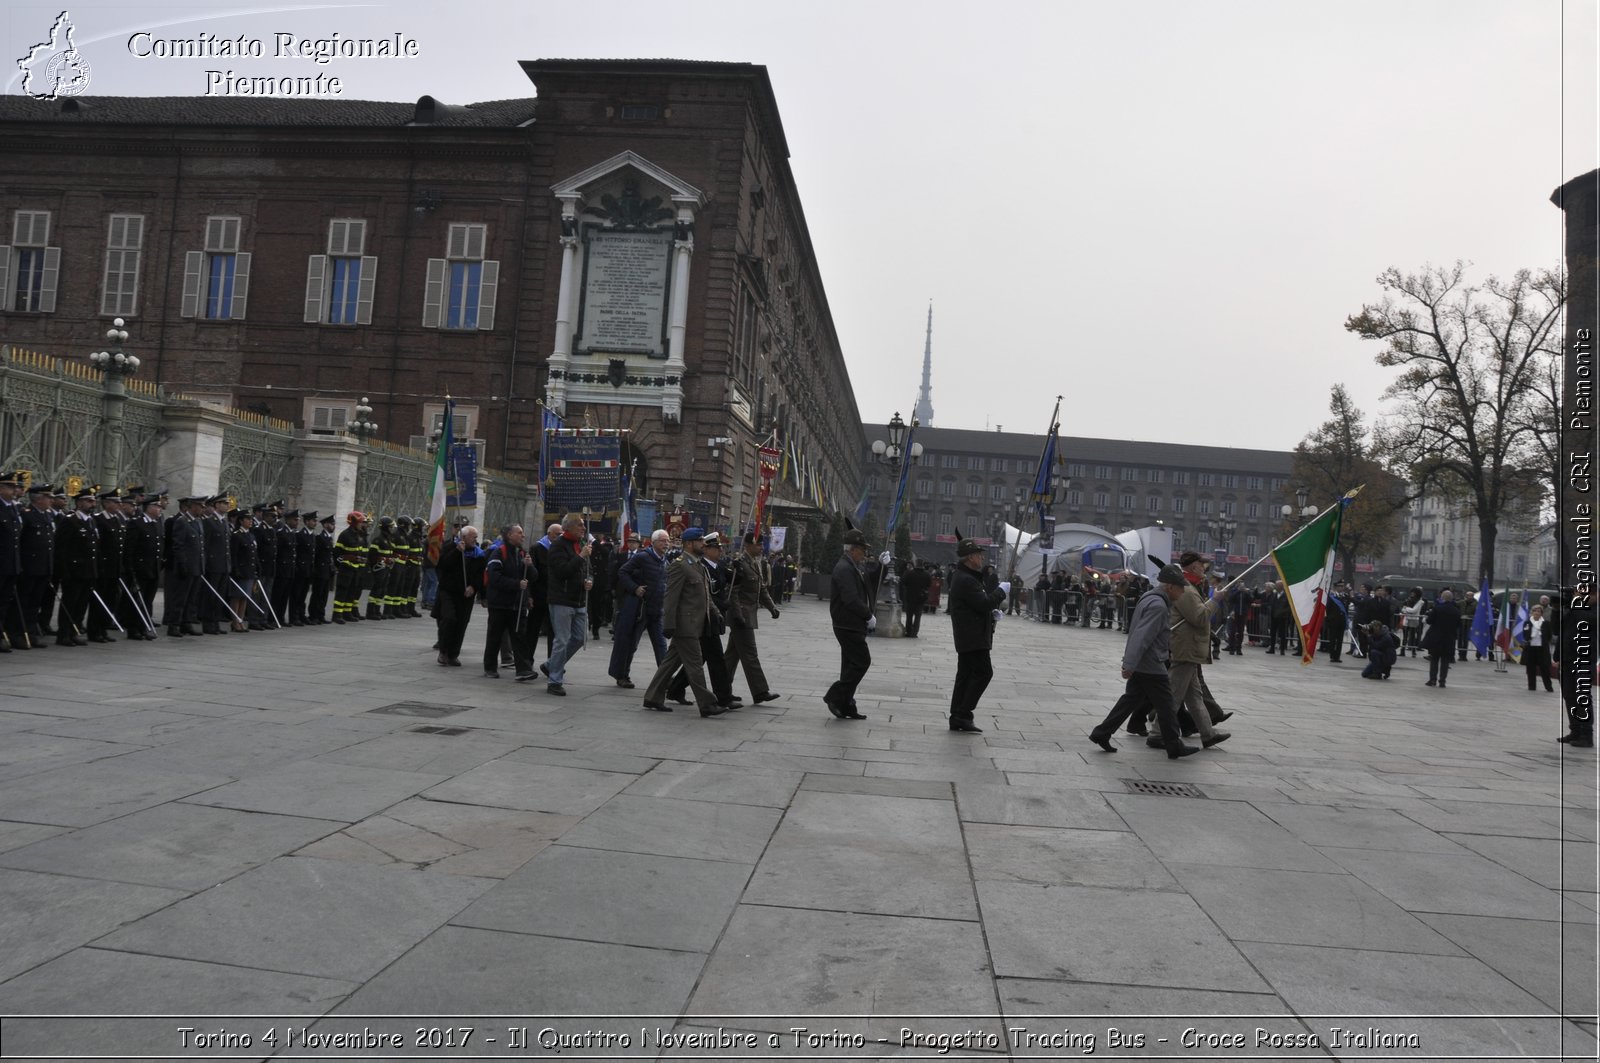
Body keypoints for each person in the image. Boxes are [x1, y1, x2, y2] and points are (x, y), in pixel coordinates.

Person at [1088, 564, 1199, 759]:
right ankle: (1174, 745)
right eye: (1181, 587)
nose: (1183, 592)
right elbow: (1142, 636)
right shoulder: (1157, 605)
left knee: (1130, 700)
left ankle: (1102, 733)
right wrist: (1129, 663)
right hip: (1151, 665)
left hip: (1145, 662)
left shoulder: (1150, 598)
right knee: (1166, 705)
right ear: (1170, 587)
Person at [642, 527, 725, 717]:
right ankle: (707, 704)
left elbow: (705, 595)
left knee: (669, 664)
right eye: (700, 541)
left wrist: (716, 613)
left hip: (696, 624)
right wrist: (669, 624)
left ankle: (653, 697)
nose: (703, 544)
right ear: (689, 544)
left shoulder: (698, 565)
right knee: (695, 665)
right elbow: (671, 598)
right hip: (685, 625)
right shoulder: (679, 565)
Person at [668, 531, 739, 708]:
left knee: (695, 660)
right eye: (715, 548)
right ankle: (721, 697)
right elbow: (675, 596)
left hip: (709, 617)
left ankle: (673, 689)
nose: (719, 552)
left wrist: (740, 567)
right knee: (713, 659)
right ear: (705, 549)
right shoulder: (694, 566)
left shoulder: (716, 566)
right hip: (699, 619)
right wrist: (669, 622)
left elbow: (734, 580)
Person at [1167, 551, 1227, 747]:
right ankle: (1159, 732)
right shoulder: (1186, 588)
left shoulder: (1192, 586)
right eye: (1202, 566)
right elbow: (1199, 617)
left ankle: (1208, 734)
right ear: (1194, 567)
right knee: (1175, 694)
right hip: (1186, 647)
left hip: (1190, 647)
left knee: (1194, 696)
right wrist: (1215, 600)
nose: (1205, 569)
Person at [946, 538, 1007, 733]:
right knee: (983, 673)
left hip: (969, 634)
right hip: (973, 637)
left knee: (965, 675)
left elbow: (978, 604)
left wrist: (991, 614)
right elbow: (983, 603)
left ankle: (957, 715)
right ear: (970, 557)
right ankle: (964, 712)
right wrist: (1000, 592)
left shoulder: (967, 576)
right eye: (979, 554)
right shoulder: (966, 579)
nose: (982, 558)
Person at [723, 532, 783, 705]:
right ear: (748, 545)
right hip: (741, 616)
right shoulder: (739, 564)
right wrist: (738, 614)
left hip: (748, 614)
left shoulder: (754, 563)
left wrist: (772, 607)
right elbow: (733, 592)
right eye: (758, 545)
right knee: (750, 654)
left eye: (761, 544)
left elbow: (761, 589)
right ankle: (760, 691)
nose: (761, 548)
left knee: (732, 656)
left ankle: (723, 690)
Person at [824, 529, 875, 720]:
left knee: (850, 665)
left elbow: (868, 583)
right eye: (862, 550)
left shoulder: (852, 565)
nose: (864, 554)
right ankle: (835, 696)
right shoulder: (844, 568)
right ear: (853, 549)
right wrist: (868, 615)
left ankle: (847, 705)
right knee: (862, 661)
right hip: (847, 624)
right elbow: (851, 599)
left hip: (851, 624)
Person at [539, 513, 592, 695]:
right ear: (568, 527)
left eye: (583, 525)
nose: (583, 529)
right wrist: (581, 556)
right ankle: (554, 680)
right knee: (561, 640)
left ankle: (550, 665)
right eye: (579, 525)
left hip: (578, 600)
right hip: (562, 599)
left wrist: (589, 580)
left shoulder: (581, 544)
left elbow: (587, 569)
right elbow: (562, 571)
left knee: (579, 638)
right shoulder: (558, 546)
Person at [610, 530, 669, 689]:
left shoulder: (665, 560)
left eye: (667, 541)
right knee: (630, 644)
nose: (666, 544)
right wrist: (634, 588)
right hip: (639, 610)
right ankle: (622, 675)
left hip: (656, 610)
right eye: (663, 541)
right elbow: (623, 572)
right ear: (654, 542)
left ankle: (666, 679)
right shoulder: (642, 557)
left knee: (661, 645)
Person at [482, 524, 535, 679]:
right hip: (500, 604)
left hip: (518, 605)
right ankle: (490, 667)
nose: (523, 536)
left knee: (519, 637)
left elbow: (533, 577)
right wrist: (516, 584)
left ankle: (523, 669)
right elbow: (494, 577)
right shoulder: (498, 553)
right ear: (509, 535)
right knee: (495, 636)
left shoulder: (523, 554)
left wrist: (529, 566)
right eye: (519, 533)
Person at [434, 525, 484, 667]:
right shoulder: (450, 547)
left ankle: (453, 654)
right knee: (449, 619)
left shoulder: (478, 553)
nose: (475, 539)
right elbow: (443, 565)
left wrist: (474, 587)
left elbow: (480, 575)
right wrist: (456, 552)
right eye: (473, 537)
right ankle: (443, 651)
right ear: (463, 537)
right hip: (448, 591)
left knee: (462, 623)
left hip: (466, 595)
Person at [1421, 588, 1461, 688]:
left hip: (1436, 638)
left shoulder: (1437, 608)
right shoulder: (1456, 611)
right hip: (1449, 639)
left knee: (1434, 659)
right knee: (1445, 661)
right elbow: (1458, 625)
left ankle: (1432, 680)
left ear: (1442, 598)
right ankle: (1442, 681)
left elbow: (1429, 621)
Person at [229, 509, 260, 631]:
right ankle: (234, 621)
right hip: (240, 571)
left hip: (249, 570)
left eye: (251, 519)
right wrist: (235, 570)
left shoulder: (251, 535)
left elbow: (254, 553)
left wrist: (257, 567)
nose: (250, 521)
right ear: (241, 521)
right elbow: (234, 554)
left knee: (245, 597)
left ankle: (241, 621)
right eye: (247, 519)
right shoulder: (237, 535)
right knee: (237, 597)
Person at [1521, 603, 1554, 693]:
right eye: (1535, 611)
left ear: (1541, 613)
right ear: (1532, 612)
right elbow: (1525, 635)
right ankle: (1531, 686)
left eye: (1539, 611)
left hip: (1542, 649)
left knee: (1545, 669)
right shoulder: (1527, 623)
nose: (1537, 613)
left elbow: (1549, 636)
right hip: (1531, 648)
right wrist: (1530, 636)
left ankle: (1548, 687)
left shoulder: (1546, 623)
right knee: (1530, 668)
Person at [901, 562, 930, 638]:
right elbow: (929, 584)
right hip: (921, 598)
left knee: (909, 616)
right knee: (918, 616)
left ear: (916, 565)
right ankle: (915, 632)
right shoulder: (926, 574)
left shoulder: (909, 573)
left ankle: (908, 631)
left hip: (910, 597)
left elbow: (903, 582)